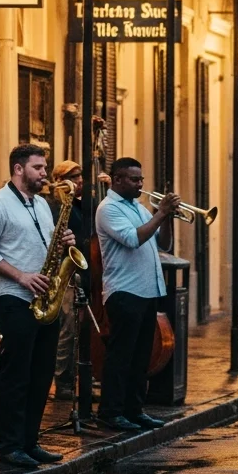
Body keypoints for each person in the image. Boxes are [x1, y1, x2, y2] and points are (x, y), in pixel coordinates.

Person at [0, 143, 76, 469]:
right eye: (38, 168)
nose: (45, 173)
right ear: (18, 169)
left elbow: (45, 242)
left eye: (44, 167)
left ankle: (30, 442)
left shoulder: (42, 205)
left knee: (41, 374)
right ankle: (10, 446)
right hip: (14, 299)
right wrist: (22, 277)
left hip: (46, 298)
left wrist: (64, 243)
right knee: (16, 376)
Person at [94, 157, 177, 432]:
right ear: (117, 179)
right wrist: (160, 213)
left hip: (147, 289)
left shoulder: (139, 208)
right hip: (124, 291)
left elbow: (163, 244)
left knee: (141, 356)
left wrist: (167, 220)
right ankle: (111, 412)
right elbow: (133, 239)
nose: (140, 184)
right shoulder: (108, 209)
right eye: (133, 179)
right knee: (121, 355)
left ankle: (134, 409)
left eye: (141, 179)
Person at [46, 159, 89, 400]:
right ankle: (62, 382)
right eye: (74, 177)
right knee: (68, 330)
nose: (80, 181)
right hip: (61, 274)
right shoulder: (52, 205)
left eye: (80, 175)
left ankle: (74, 380)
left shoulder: (78, 204)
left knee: (76, 331)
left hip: (79, 273)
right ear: (60, 181)